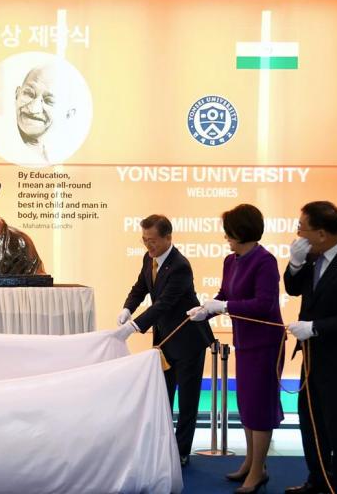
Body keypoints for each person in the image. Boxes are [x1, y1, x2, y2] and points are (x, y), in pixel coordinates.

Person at [187, 204, 284, 493]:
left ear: (242, 232)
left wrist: (226, 306)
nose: (226, 238)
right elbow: (224, 295)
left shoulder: (265, 261)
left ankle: (257, 472)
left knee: (260, 407)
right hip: (245, 341)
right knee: (246, 404)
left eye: (229, 232)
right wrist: (207, 309)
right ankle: (251, 463)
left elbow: (264, 305)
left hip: (266, 343)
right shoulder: (231, 260)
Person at [115, 214, 214, 467]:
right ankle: (161, 448)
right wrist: (127, 307)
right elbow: (140, 288)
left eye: (154, 241)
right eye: (145, 240)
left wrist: (135, 326)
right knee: (162, 396)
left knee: (188, 400)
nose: (149, 246)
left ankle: (181, 452)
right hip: (164, 340)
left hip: (188, 339)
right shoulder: (148, 259)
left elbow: (164, 303)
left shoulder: (180, 265)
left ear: (168, 237)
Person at [283, 201, 337, 494]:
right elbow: (293, 289)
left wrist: (316, 327)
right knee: (310, 420)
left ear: (321, 233)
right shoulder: (311, 256)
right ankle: (317, 479)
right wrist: (294, 264)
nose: (298, 235)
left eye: (301, 229)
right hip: (311, 358)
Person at [14, 61, 78, 166]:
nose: (33, 109)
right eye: (29, 93)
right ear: (17, 94)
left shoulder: (63, 153)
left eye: (49, 101)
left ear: (68, 114)